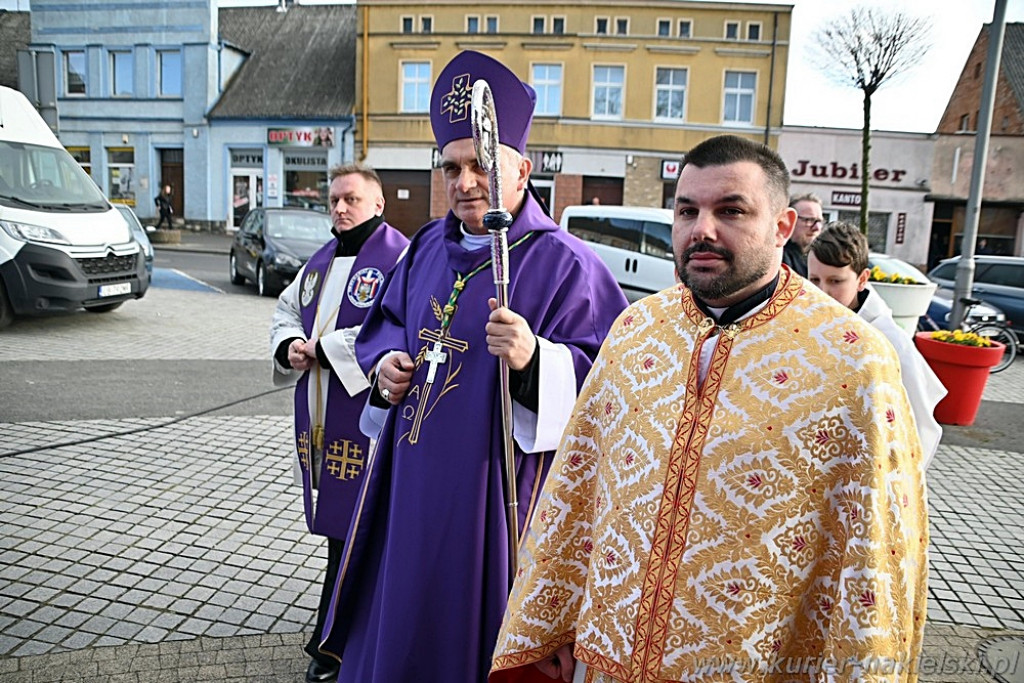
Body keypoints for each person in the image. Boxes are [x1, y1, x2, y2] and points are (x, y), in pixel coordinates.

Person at [491, 135, 928, 683]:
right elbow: (577, 490)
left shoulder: (854, 360)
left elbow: (877, 553)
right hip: (609, 659)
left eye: (731, 210)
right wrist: (551, 625)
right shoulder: (635, 330)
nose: (702, 229)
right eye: (687, 210)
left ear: (783, 226)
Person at [317, 50, 628, 683]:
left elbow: (612, 383)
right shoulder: (427, 243)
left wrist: (537, 359)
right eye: (452, 167)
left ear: (522, 168)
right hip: (408, 481)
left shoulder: (567, 264)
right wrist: (386, 370)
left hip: (495, 495)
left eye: (481, 165)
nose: (464, 183)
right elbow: (383, 328)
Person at [269, 164, 409, 683]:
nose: (340, 208)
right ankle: (338, 635)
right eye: (333, 201)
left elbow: (395, 328)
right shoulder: (321, 261)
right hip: (323, 413)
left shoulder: (399, 257)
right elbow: (286, 309)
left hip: (371, 415)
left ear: (377, 205)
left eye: (351, 199)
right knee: (340, 535)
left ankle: (333, 646)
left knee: (361, 532)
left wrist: (323, 349)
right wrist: (290, 345)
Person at [808, 221, 946, 467]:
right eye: (815, 280)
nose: (822, 292)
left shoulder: (889, 341)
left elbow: (920, 426)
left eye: (836, 281)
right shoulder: (810, 325)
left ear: (862, 279)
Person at [781, 191, 823, 277]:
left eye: (819, 221)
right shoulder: (778, 259)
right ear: (790, 220)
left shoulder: (818, 258)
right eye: (809, 220)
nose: (817, 228)